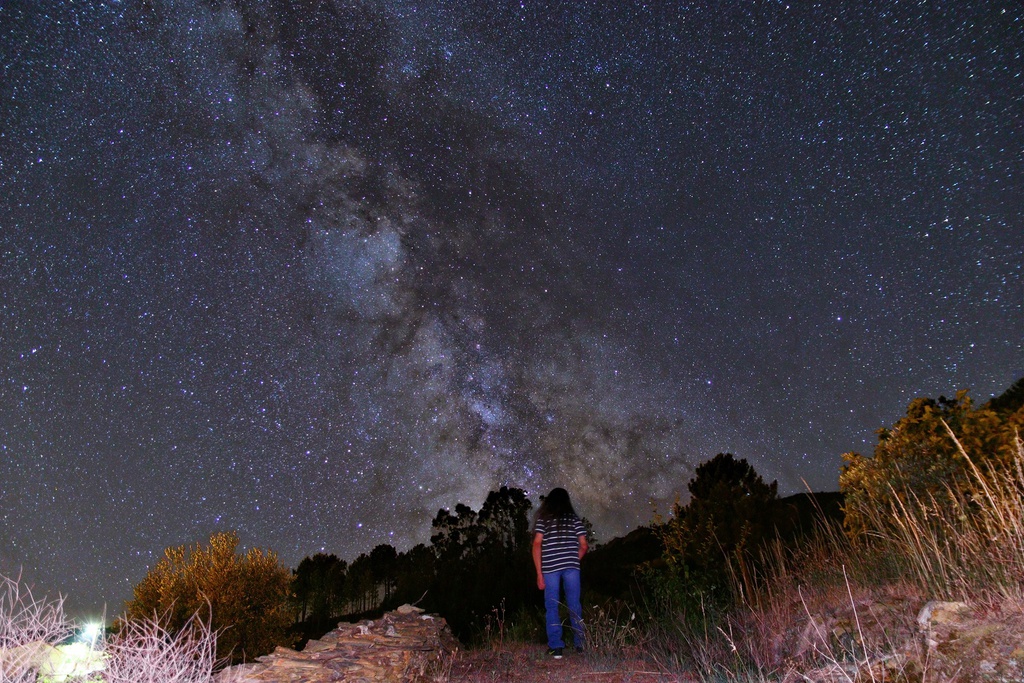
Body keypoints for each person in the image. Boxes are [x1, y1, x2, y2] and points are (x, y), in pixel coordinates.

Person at [532, 487, 588, 658]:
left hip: (550, 568)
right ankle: (580, 645)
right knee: (574, 605)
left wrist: (539, 573)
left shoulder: (544, 519)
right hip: (571, 568)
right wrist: (572, 559)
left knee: (552, 606)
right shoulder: (574, 520)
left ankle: (556, 647)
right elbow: (584, 545)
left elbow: (536, 544)